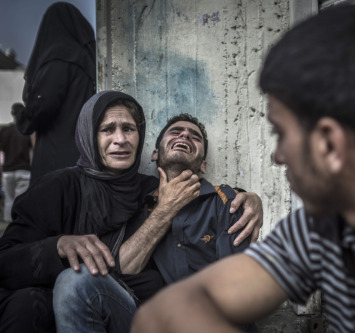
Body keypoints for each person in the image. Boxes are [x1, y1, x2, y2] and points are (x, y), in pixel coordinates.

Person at [131, 4, 355, 333]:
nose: (277, 156)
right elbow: (163, 313)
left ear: (329, 144)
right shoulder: (323, 228)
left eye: (281, 134)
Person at [0, 91, 262, 333]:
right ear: (88, 135)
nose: (120, 140)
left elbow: (196, 196)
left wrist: (246, 198)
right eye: (107, 130)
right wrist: (57, 245)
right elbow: (8, 259)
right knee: (71, 283)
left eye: (128, 129)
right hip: (69, 306)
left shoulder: (151, 191)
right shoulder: (59, 187)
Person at [16, 2, 96, 185]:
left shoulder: (59, 58)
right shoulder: (88, 63)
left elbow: (44, 105)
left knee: (51, 206)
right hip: (83, 154)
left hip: (55, 157)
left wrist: (22, 115)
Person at [0, 103, 31, 222]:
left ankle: (8, 229)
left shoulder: (5, 131)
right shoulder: (26, 131)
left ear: (12, 113)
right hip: (24, 170)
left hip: (8, 170)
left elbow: (1, 152)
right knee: (21, 202)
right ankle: (19, 226)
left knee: (9, 200)